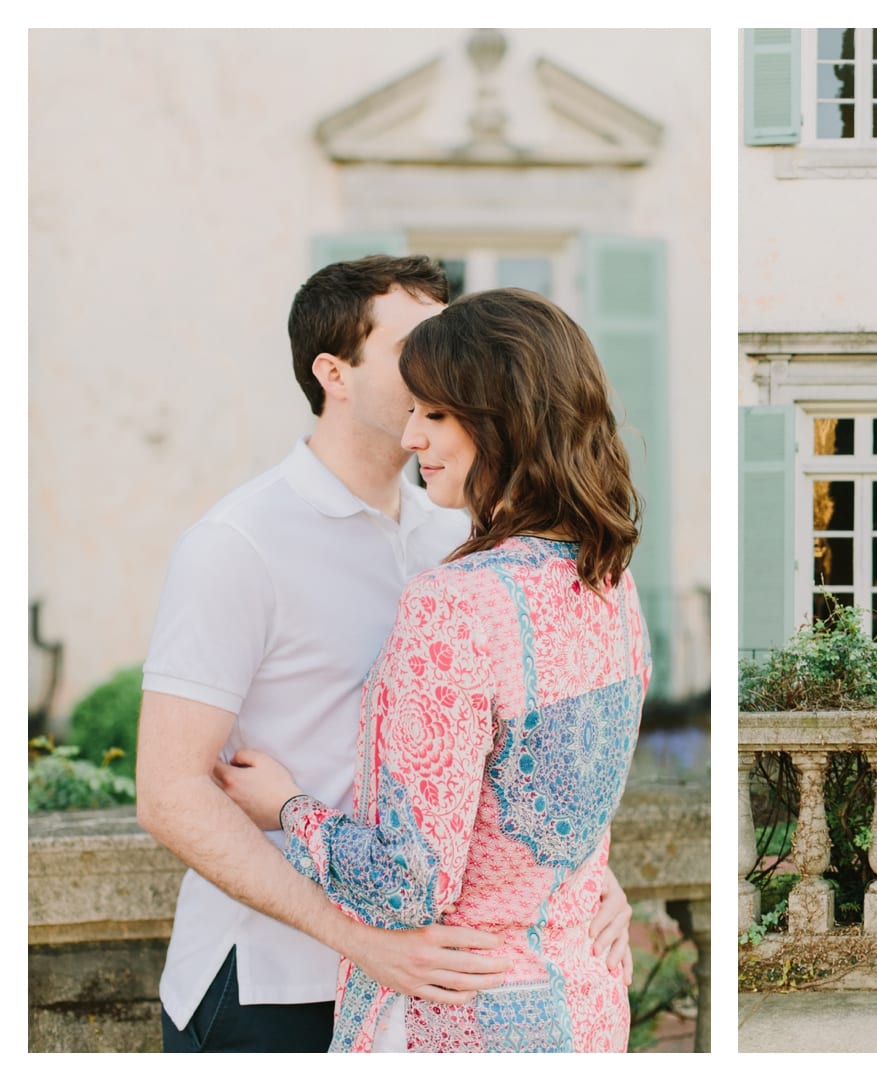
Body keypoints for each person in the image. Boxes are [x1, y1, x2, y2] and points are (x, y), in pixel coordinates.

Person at [136, 258, 632, 1053]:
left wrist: (574, 873)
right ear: (332, 372)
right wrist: (360, 939)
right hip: (273, 981)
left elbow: (515, 748)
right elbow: (168, 791)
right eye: (412, 346)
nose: (438, 356)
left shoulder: (462, 535)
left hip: (438, 990)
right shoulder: (237, 544)